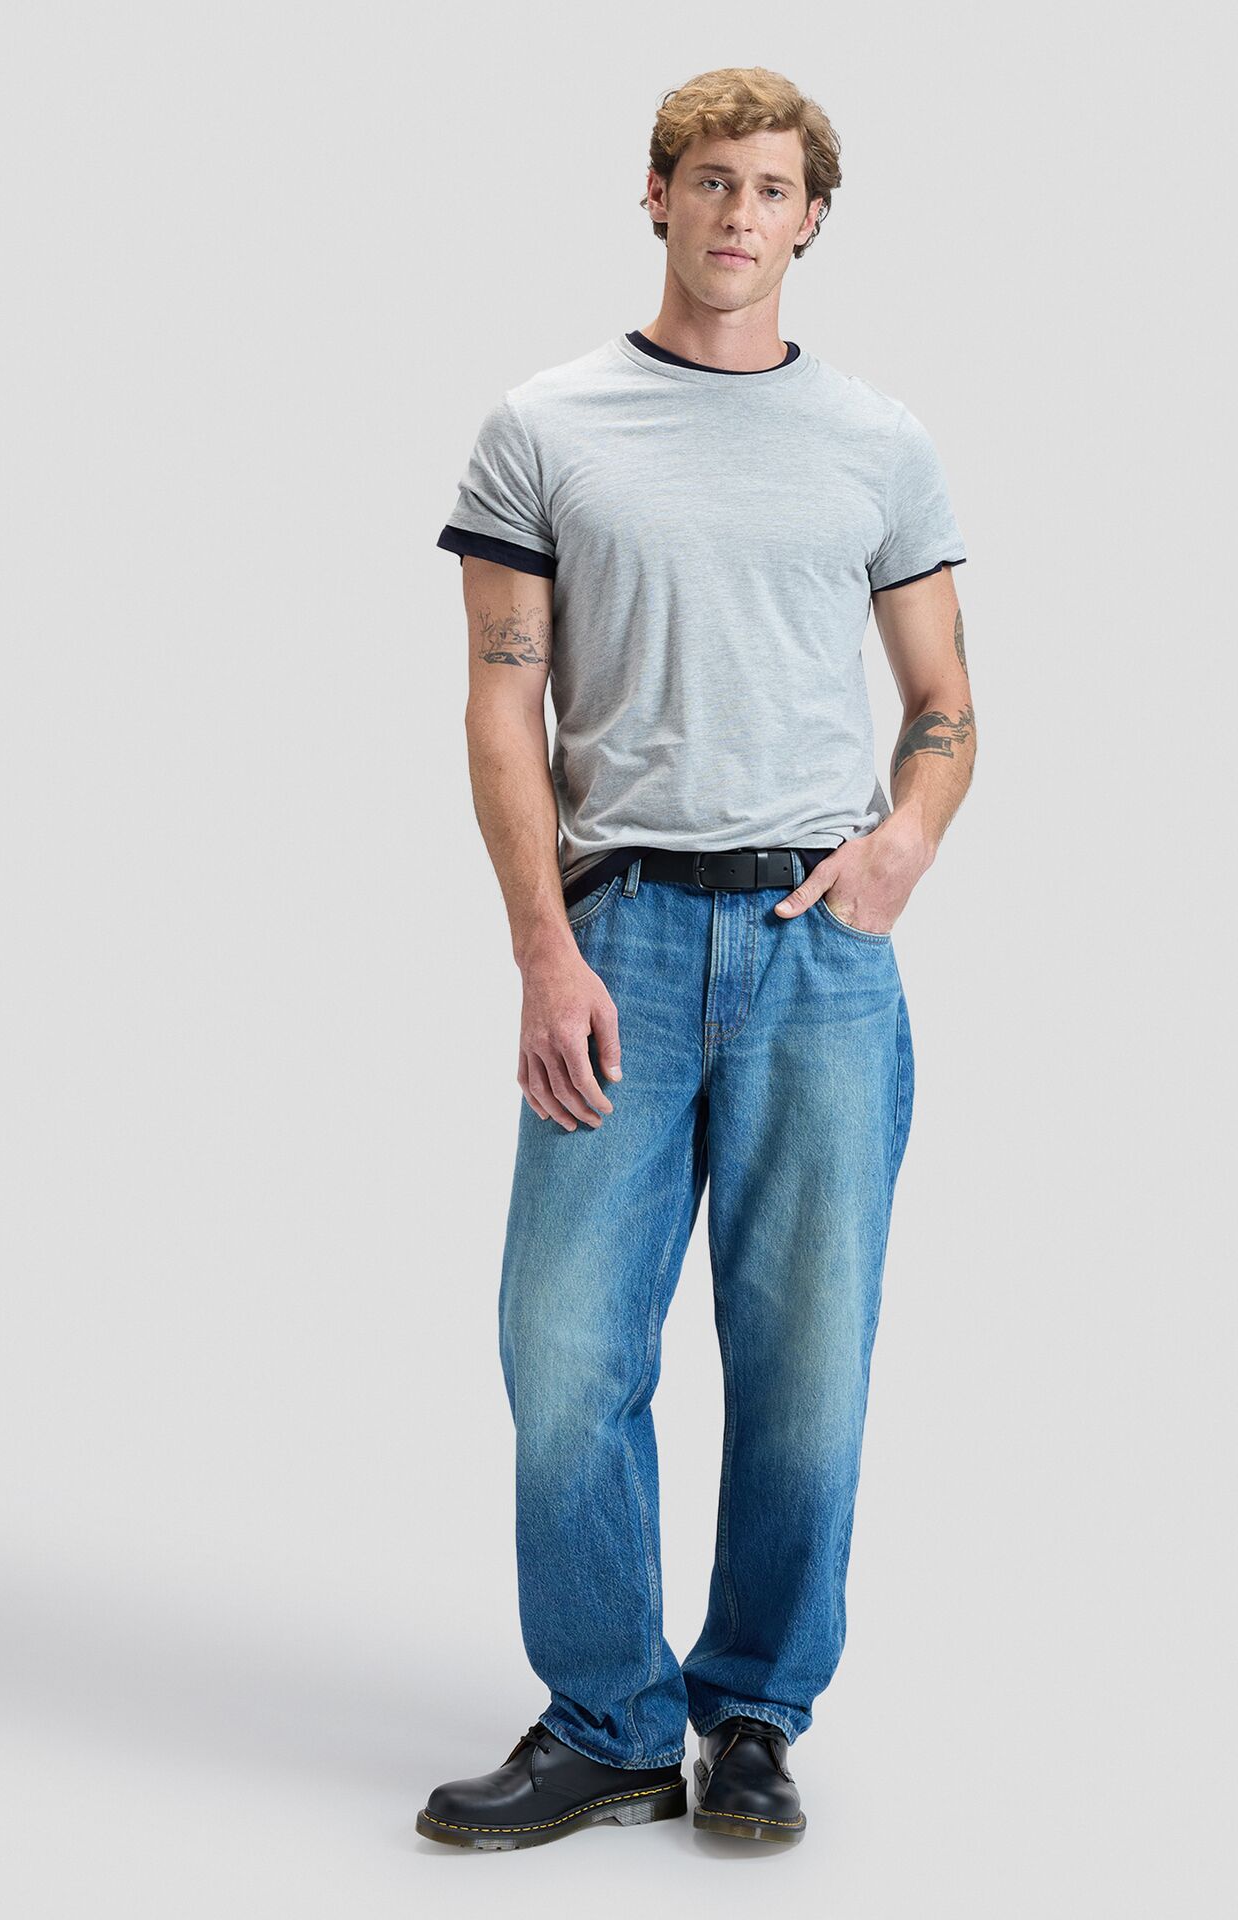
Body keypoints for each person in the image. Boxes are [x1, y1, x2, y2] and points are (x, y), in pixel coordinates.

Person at [416, 65, 975, 1853]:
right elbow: (501, 711)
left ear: (813, 220)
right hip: (625, 940)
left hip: (822, 957)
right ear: (655, 197)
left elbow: (946, 702)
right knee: (566, 1351)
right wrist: (542, 950)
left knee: (806, 1360)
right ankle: (606, 1719)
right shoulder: (547, 426)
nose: (740, 212)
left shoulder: (878, 440)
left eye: (773, 187)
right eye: (711, 179)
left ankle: (748, 1718)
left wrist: (899, 849)